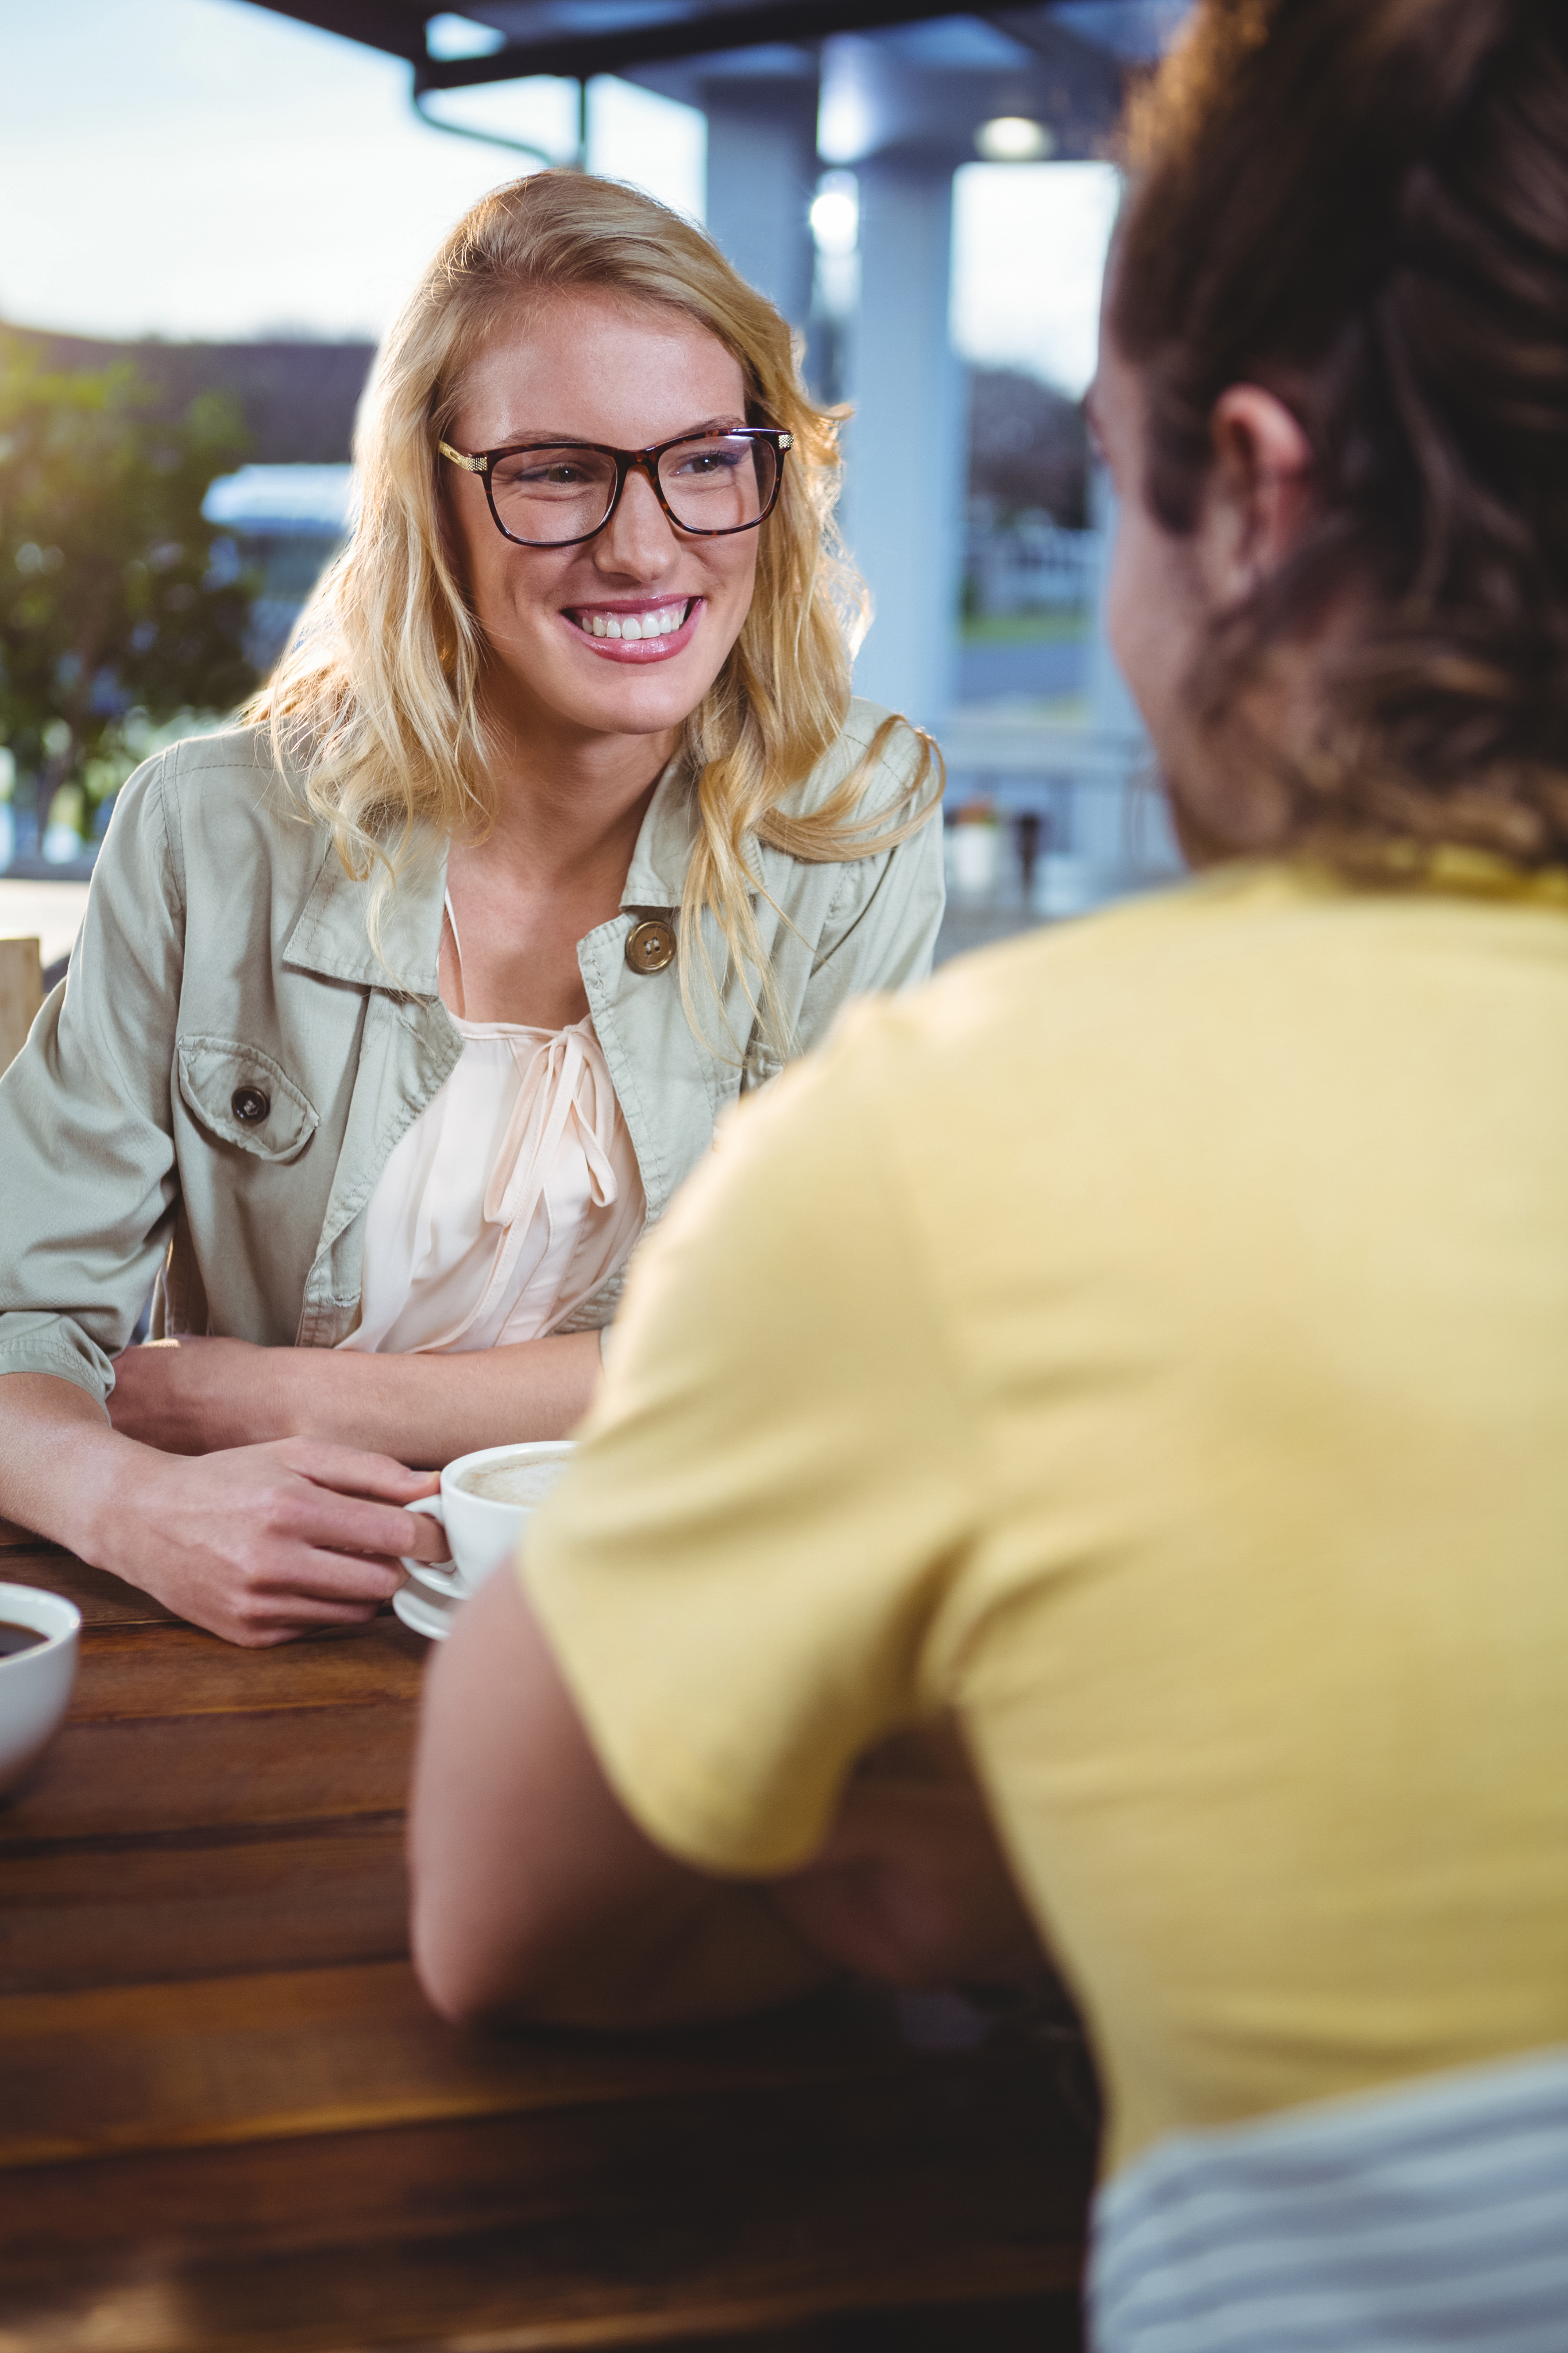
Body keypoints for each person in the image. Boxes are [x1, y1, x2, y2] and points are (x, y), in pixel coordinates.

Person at [408, 4, 1568, 2347]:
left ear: (1248, 493)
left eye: (1114, 485)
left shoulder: (972, 1141)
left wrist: (1043, 1858)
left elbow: (510, 1915)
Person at [0, 174, 943, 1646]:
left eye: (706, 460)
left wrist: (299, 1395)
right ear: (433, 501)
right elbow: (16, 1314)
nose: (644, 546)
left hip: (669, 1623)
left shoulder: (857, 823)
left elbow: (808, 1343)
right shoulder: (210, 830)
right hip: (267, 1626)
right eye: (559, 470)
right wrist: (126, 1500)